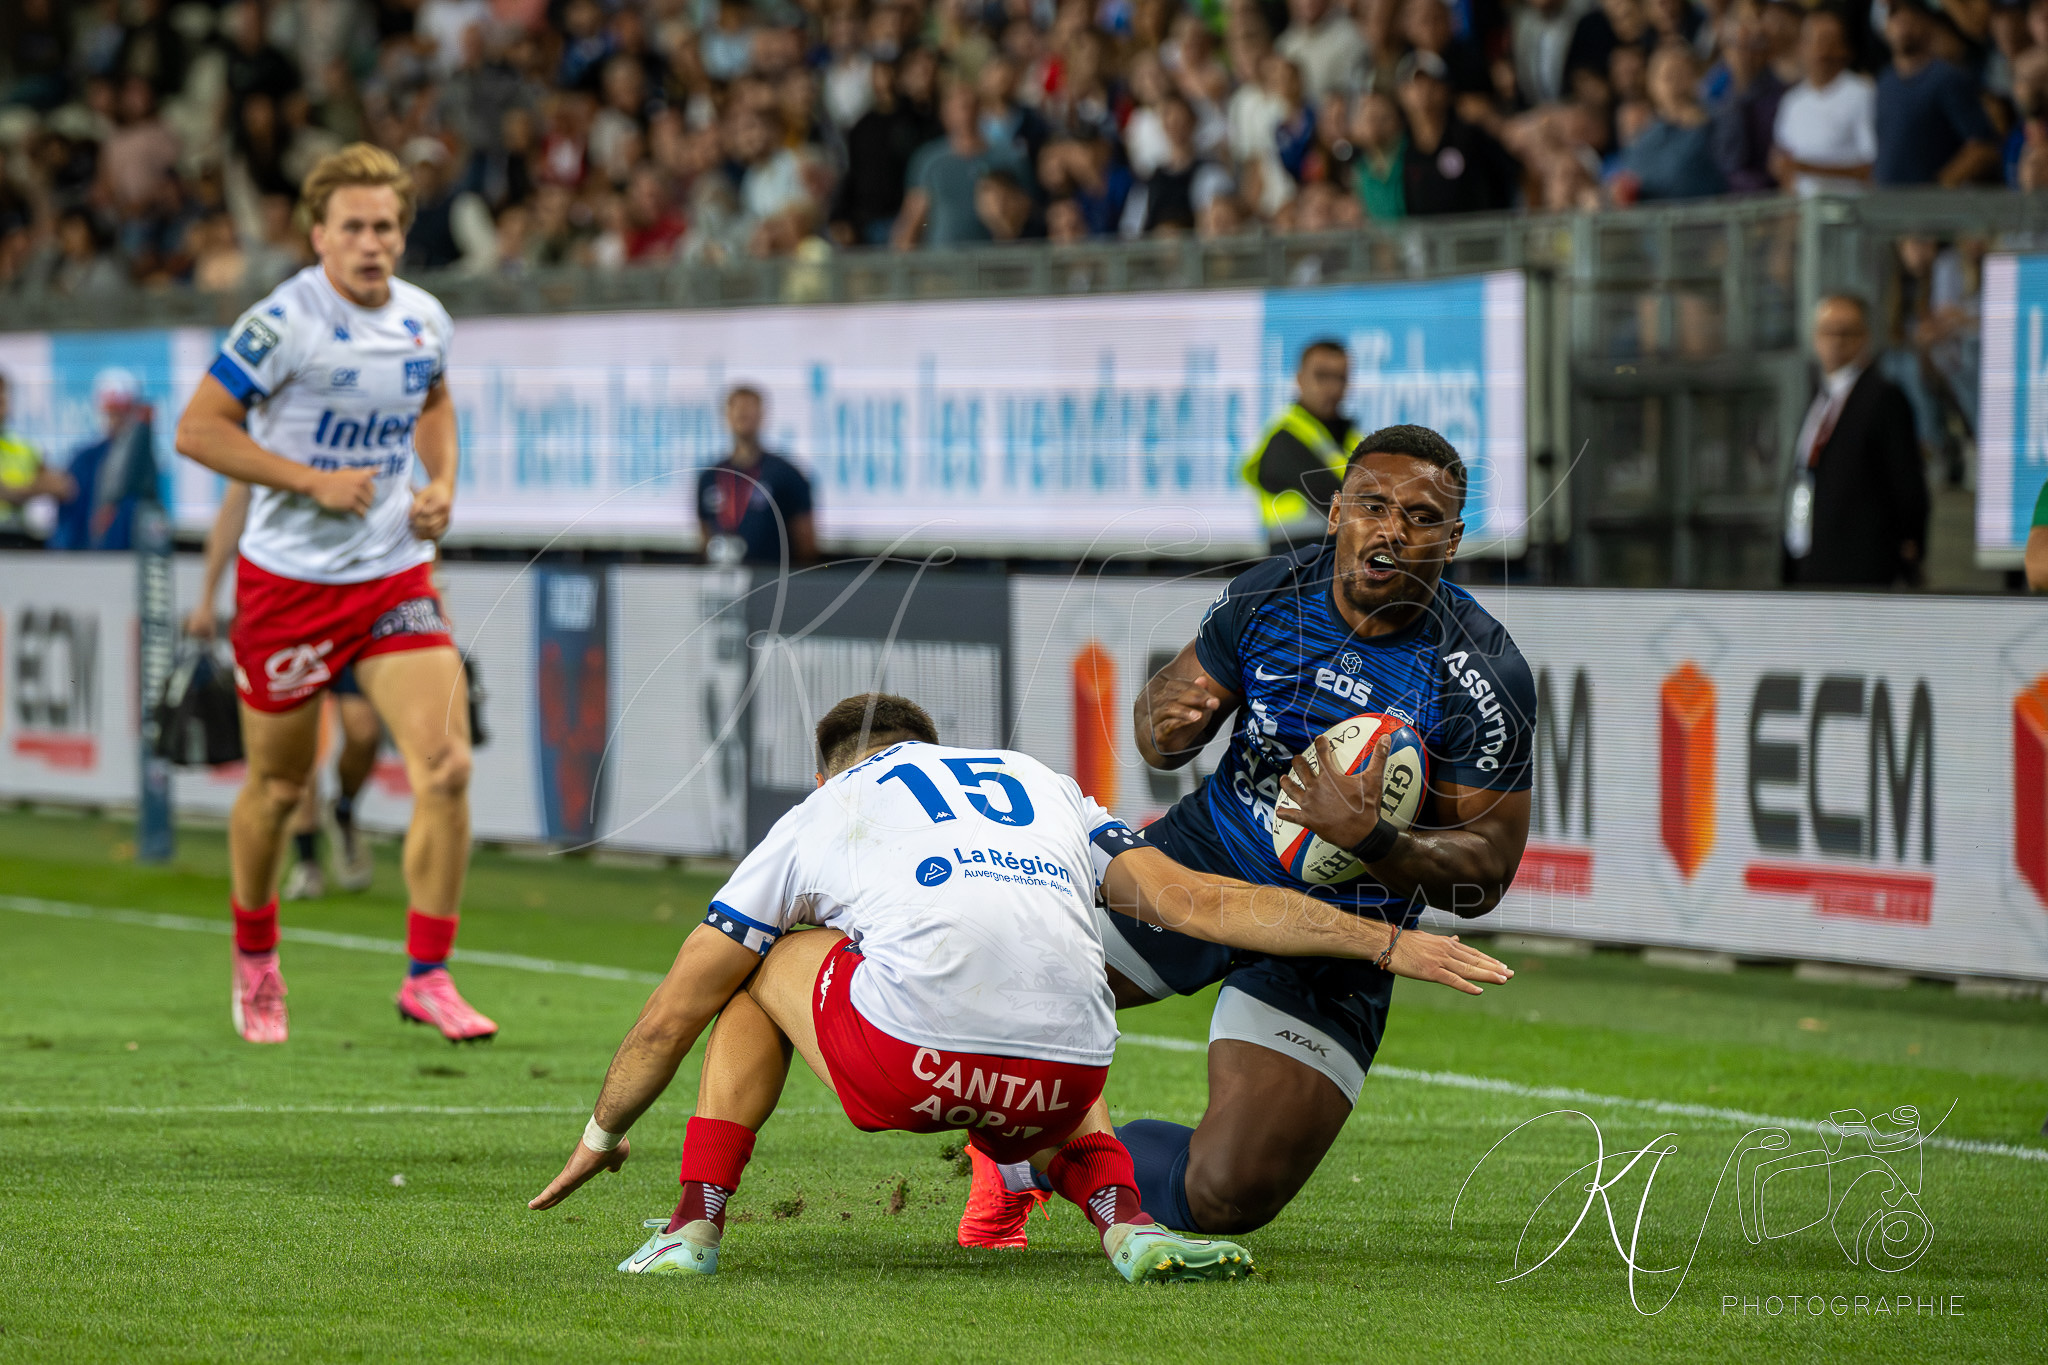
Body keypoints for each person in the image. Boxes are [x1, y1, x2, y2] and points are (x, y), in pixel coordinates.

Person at [527, 692, 1512, 1277]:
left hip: (904, 1066)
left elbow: (671, 1014)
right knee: (1044, 985)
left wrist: (601, 1136)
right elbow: (1201, 906)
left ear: (833, 778)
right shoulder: (1039, 785)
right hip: (1064, 1081)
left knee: (753, 965)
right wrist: (1377, 944)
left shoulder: (823, 814)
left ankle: (693, 1223)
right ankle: (1125, 1226)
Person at [960, 424, 1536, 1245]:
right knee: (994, 998)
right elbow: (1165, 727)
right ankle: (1019, 1149)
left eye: (1421, 516)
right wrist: (1164, 724)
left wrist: (1372, 838)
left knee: (1226, 1197)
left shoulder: (1483, 674)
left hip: (1343, 940)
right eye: (1373, 504)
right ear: (1337, 512)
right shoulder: (1272, 593)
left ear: (1452, 537)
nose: (1393, 529)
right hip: (1203, 867)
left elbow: (1486, 877)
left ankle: (1039, 1159)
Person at [172, 143, 489, 1046]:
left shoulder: (425, 318)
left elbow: (434, 401)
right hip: (288, 588)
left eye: (385, 225)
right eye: (352, 226)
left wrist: (443, 485)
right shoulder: (282, 323)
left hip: (391, 573)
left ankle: (427, 974)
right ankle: (256, 952)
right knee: (277, 785)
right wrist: (309, 480)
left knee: (447, 765)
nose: (371, 241)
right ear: (318, 235)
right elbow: (199, 429)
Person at [187, 480, 381, 899]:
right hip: (288, 610)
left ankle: (343, 810)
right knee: (297, 754)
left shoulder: (357, 434)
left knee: (364, 732)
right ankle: (308, 861)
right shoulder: (266, 441)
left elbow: (400, 501)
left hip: (353, 604)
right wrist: (206, 599)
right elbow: (229, 519)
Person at [1781, 294, 1929, 588]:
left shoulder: (1883, 398)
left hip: (1861, 568)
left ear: (1864, 338)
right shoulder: (1819, 399)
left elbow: (1907, 481)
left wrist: (1908, 546)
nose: (1836, 341)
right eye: (1828, 331)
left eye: (1846, 332)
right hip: (1810, 560)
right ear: (1814, 338)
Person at [1241, 339, 1360, 550]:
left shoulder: (1352, 437)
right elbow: (1337, 498)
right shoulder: (1284, 440)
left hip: (1337, 557)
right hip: (1298, 563)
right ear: (1299, 379)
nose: (1332, 388)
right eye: (1321, 376)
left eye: (1340, 378)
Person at [1873, 0, 2000, 188]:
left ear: (1927, 21)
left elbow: (1984, 147)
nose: (1902, 20)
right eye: (1894, 15)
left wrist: (1938, 187)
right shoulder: (1885, 81)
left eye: (1911, 13)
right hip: (1887, 204)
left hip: (1931, 211)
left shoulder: (1946, 77)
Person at [695, 385, 817, 567]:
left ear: (761, 416)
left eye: (749, 412)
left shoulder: (785, 474)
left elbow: (806, 543)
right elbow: (705, 536)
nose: (744, 417)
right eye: (739, 412)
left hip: (772, 580)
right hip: (722, 581)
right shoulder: (710, 477)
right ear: (727, 416)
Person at [1768, 8, 1875, 195]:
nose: (1820, 50)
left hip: (1852, 213)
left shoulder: (1862, 94)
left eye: (1827, 40)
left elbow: (1871, 168)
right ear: (1801, 46)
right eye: (1812, 41)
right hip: (1806, 215)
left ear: (1844, 48)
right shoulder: (1792, 101)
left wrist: (1806, 168)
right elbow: (1784, 167)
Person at [0, 371, 75, 549]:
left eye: (4, 394)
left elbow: (63, 487)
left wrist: (17, 492)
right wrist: (30, 489)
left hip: (18, 540)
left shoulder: (22, 447)